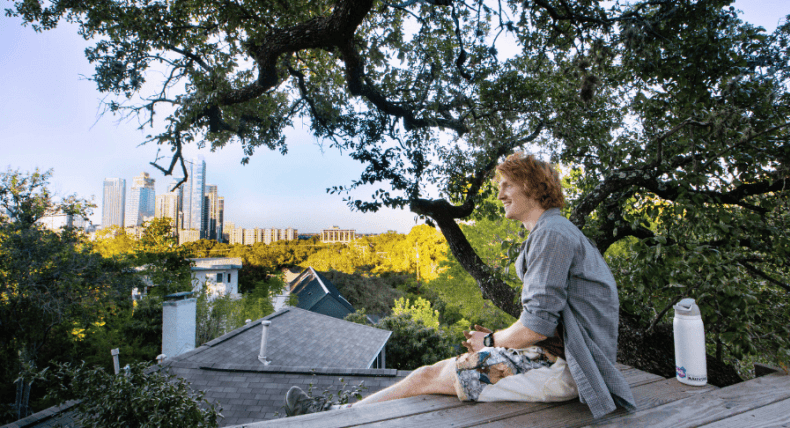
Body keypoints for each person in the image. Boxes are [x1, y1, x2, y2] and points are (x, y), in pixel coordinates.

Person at [284, 153, 636, 419]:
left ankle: (330, 418)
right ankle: (333, 413)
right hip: (558, 358)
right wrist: (496, 340)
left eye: (507, 185)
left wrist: (491, 341)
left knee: (425, 377)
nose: (500, 193)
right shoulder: (552, 232)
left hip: (566, 370)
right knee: (431, 375)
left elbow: (535, 325)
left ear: (530, 186)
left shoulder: (552, 236)